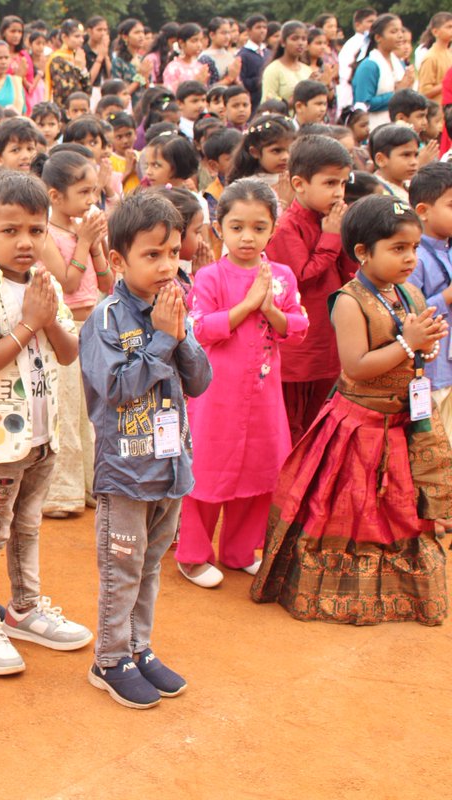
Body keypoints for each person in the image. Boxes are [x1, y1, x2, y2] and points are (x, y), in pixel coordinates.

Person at [251, 195, 451, 624]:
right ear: (363, 252)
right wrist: (408, 344)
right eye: (398, 249)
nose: (410, 258)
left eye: (414, 248)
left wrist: (424, 347)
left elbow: (411, 351)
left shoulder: (410, 293)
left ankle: (400, 597)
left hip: (402, 424)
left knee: (399, 511)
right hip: (357, 430)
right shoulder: (349, 300)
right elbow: (357, 367)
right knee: (349, 512)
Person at [0, 170, 91, 676]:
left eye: (36, 229)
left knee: (28, 525)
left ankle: (24, 608)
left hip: (41, 435)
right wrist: (30, 322)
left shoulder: (44, 286)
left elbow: (69, 354)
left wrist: (47, 317)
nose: (25, 241)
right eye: (10, 231)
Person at [81, 192, 212, 709]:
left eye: (174, 253)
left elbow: (199, 381)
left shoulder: (175, 305)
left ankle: (140, 648)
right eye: (152, 255)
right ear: (118, 260)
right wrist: (160, 339)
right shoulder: (106, 319)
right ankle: (109, 658)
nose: (167, 266)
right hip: (126, 471)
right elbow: (115, 389)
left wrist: (178, 336)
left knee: (151, 563)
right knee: (122, 567)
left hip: (171, 463)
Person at [177, 180, 308, 589]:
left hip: (264, 395)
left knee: (260, 472)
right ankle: (193, 555)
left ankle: (239, 550)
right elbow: (198, 329)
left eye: (258, 227)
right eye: (236, 227)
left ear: (273, 228)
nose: (247, 237)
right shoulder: (210, 276)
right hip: (216, 395)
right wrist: (248, 306)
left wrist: (270, 308)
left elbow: (299, 327)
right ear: (220, 228)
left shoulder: (282, 276)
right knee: (206, 473)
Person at [264, 135, 355, 443]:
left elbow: (347, 274)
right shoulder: (286, 226)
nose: (338, 192)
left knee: (323, 423)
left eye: (342, 184)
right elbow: (298, 276)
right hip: (299, 349)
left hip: (329, 340)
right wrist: (330, 238)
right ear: (299, 184)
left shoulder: (331, 220)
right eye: (330, 183)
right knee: (293, 427)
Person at [38, 150, 109, 519]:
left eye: (95, 192)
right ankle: (60, 494)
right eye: (83, 192)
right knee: (65, 412)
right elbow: (65, 283)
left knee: (90, 413)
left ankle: (89, 485)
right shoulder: (45, 233)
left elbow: (108, 282)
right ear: (55, 196)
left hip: (93, 329)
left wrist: (96, 246)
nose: (90, 201)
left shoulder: (85, 229)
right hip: (63, 331)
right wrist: (83, 241)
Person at [408, 162, 452, 444]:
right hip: (435, 372)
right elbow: (407, 311)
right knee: (439, 441)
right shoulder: (414, 256)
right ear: (423, 211)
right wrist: (446, 297)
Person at [351, 15, 414, 130]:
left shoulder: (399, 63)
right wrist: (396, 94)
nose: (400, 35)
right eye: (394, 32)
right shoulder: (369, 66)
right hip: (375, 128)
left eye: (401, 30)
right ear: (378, 37)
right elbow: (363, 104)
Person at [261, 21, 315, 105]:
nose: (300, 43)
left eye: (304, 39)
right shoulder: (273, 70)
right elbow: (268, 103)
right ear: (283, 42)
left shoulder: (307, 70)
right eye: (294, 39)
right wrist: (296, 99)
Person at [47, 20, 90, 108]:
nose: (81, 40)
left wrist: (83, 70)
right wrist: (77, 69)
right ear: (64, 37)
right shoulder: (57, 59)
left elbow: (88, 89)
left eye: (82, 37)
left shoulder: (77, 56)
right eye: (77, 36)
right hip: (63, 108)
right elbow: (64, 89)